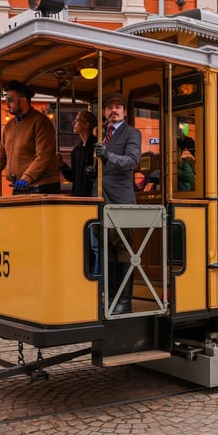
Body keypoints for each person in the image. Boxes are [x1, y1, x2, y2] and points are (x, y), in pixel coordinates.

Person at [0, 80, 60, 196]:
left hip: (41, 187)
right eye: (6, 100)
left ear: (23, 100)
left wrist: (27, 177)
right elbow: (0, 158)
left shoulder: (41, 122)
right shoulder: (9, 126)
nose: (7, 103)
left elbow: (43, 155)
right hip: (21, 186)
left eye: (10, 100)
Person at [94, 92, 142, 315]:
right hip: (103, 199)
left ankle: (125, 299)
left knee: (122, 249)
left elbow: (132, 161)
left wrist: (107, 157)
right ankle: (112, 296)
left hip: (121, 200)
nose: (113, 110)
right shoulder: (104, 134)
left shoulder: (132, 132)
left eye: (117, 107)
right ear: (104, 111)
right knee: (108, 249)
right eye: (109, 107)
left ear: (123, 111)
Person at [59, 110, 98, 197]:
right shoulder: (76, 150)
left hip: (92, 196)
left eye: (77, 120)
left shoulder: (96, 147)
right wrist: (62, 164)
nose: (73, 123)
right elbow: (74, 177)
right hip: (78, 196)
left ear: (86, 125)